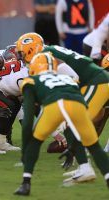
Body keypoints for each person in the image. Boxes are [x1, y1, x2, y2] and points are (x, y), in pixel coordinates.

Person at [16, 32, 109, 184]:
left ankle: (85, 167)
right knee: (70, 122)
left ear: (32, 49)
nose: (21, 57)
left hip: (95, 81)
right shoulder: (49, 52)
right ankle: (83, 166)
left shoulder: (47, 55)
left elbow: (73, 77)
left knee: (72, 123)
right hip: (93, 82)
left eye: (21, 52)